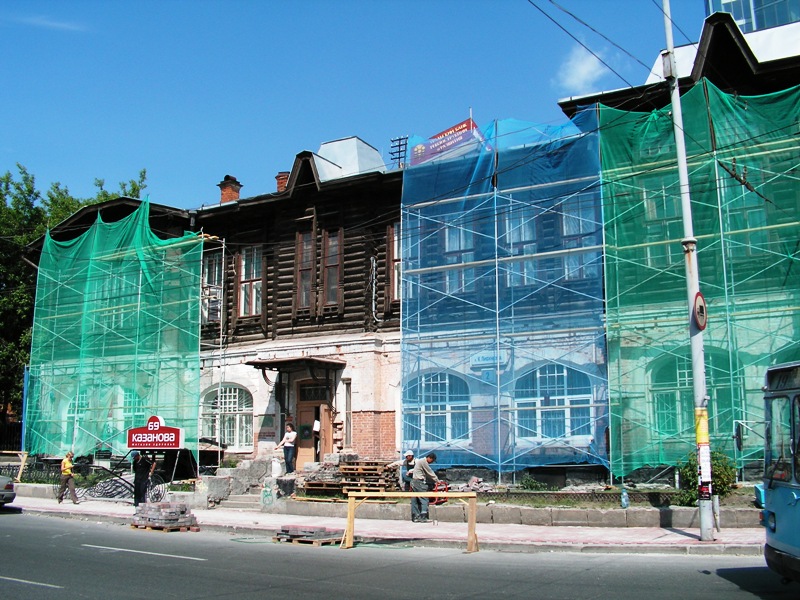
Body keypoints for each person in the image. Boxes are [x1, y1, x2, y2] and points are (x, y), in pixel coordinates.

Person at [410, 452, 439, 523]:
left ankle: (415, 516)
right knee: (424, 499)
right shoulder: (423, 462)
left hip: (414, 481)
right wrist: (437, 480)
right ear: (429, 458)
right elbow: (430, 472)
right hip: (419, 482)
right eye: (432, 461)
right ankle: (423, 517)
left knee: (415, 500)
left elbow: (426, 473)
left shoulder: (420, 462)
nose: (431, 462)